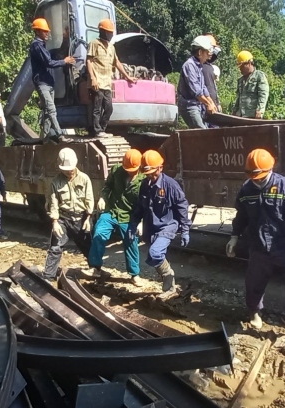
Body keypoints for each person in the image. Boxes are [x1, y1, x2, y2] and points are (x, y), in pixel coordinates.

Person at [226, 149, 285, 350]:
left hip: (284, 246)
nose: (256, 180)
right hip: (258, 246)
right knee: (254, 283)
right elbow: (241, 216)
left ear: (271, 169)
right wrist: (234, 237)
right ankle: (254, 313)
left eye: (260, 176)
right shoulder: (246, 189)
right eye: (252, 176)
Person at [127, 150, 191, 294]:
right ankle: (167, 283)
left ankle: (169, 279)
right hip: (151, 227)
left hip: (168, 226)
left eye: (152, 172)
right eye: (147, 173)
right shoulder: (145, 185)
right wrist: (133, 224)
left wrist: (185, 230)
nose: (149, 175)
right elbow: (139, 208)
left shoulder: (170, 185)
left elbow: (182, 206)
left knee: (155, 253)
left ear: (160, 168)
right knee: (153, 257)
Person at [84, 149, 144, 285]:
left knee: (131, 241)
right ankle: (95, 268)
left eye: (133, 170)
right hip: (112, 211)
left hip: (129, 216)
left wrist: (141, 222)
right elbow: (107, 186)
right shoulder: (116, 170)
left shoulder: (144, 180)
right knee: (99, 233)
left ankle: (134, 274)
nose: (130, 172)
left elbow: (145, 204)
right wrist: (102, 198)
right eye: (127, 169)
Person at [43, 148, 94, 279]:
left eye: (70, 169)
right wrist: (55, 222)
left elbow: (89, 199)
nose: (69, 172)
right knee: (55, 247)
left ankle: (96, 270)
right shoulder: (55, 182)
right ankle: (48, 277)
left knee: (88, 246)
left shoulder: (84, 179)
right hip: (63, 219)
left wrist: (88, 218)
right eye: (66, 170)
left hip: (81, 219)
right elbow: (53, 202)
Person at [87, 19, 137, 138]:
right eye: (108, 32)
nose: (110, 35)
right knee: (97, 109)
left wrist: (128, 76)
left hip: (107, 83)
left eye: (111, 32)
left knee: (109, 108)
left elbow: (117, 62)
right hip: (97, 82)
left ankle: (101, 129)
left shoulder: (111, 47)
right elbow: (89, 61)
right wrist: (92, 78)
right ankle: (97, 131)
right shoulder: (94, 43)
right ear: (102, 32)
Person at [29, 18, 76, 143]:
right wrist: (64, 62)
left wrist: (65, 39)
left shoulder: (42, 46)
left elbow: (55, 54)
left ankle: (44, 139)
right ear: (37, 31)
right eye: (44, 31)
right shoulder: (36, 46)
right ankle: (60, 135)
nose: (47, 33)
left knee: (47, 112)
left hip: (48, 83)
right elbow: (49, 62)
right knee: (51, 109)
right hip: (42, 83)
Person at [177, 36, 218, 129]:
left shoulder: (199, 66)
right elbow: (196, 91)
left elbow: (203, 88)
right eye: (207, 52)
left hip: (198, 106)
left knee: (207, 131)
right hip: (189, 106)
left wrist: (211, 102)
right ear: (200, 52)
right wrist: (208, 104)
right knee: (202, 132)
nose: (209, 55)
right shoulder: (189, 66)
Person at [233, 51, 270, 119]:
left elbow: (263, 94)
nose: (240, 68)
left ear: (249, 63)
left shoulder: (259, 76)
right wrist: (234, 111)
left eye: (242, 66)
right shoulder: (240, 80)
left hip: (253, 115)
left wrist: (260, 110)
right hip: (240, 115)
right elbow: (239, 98)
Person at [200, 34, 222, 126]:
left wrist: (217, 103)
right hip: (205, 107)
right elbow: (202, 89)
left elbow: (213, 88)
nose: (212, 52)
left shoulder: (209, 67)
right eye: (212, 48)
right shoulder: (199, 67)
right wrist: (208, 103)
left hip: (213, 106)